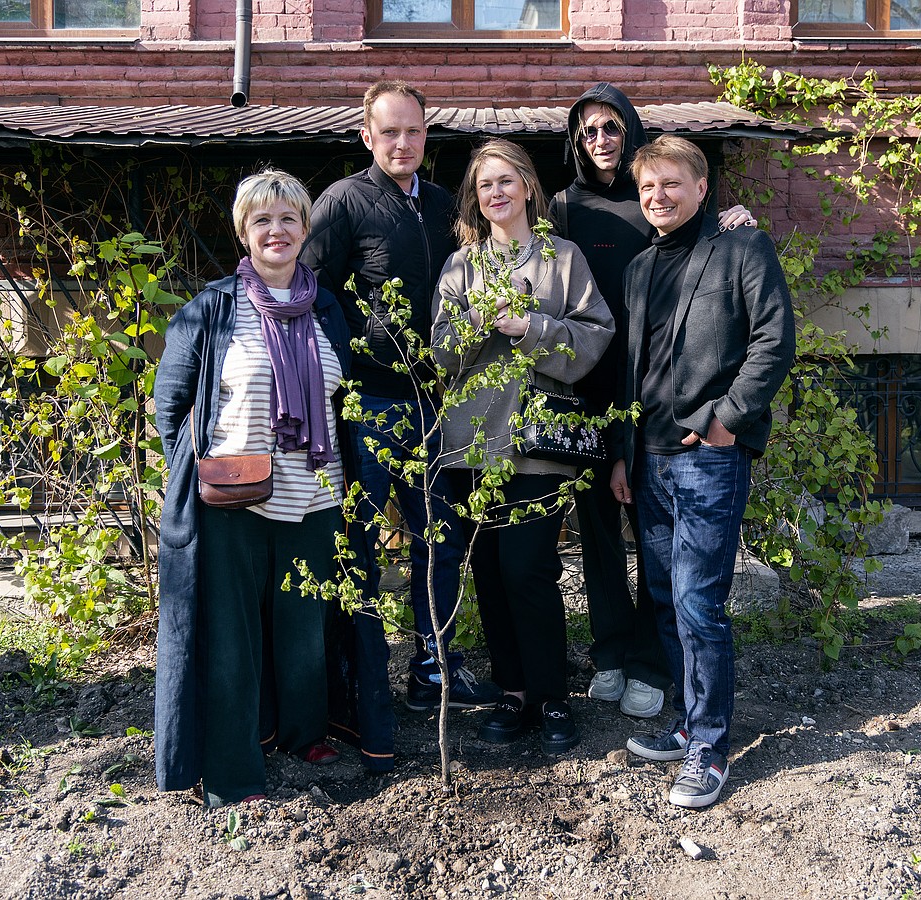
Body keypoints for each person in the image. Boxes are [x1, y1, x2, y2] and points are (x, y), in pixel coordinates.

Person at [153, 168, 364, 806]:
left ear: (305, 229)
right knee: (232, 637)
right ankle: (234, 763)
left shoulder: (327, 306)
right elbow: (170, 408)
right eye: (262, 221)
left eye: (289, 219)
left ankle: (304, 734)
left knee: (304, 624)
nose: (277, 231)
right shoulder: (213, 306)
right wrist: (200, 476)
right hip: (234, 502)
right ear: (245, 231)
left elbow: (344, 399)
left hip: (316, 494)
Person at [549, 83, 755, 720]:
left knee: (654, 539)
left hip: (656, 395)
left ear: (630, 130)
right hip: (584, 389)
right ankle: (610, 652)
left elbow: (705, 242)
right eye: (589, 131)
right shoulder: (561, 207)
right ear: (577, 141)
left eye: (612, 127)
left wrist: (735, 217)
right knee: (597, 536)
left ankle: (649, 661)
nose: (602, 140)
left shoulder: (656, 198)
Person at [300, 80, 500, 715]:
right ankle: (359, 678)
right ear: (368, 137)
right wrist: (333, 386)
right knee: (355, 541)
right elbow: (312, 297)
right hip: (369, 406)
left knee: (439, 538)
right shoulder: (343, 203)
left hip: (438, 402)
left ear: (426, 135)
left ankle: (432, 667)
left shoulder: (445, 205)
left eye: (413, 131)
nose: (403, 143)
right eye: (390, 132)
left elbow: (511, 239)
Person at [611, 136, 795, 808]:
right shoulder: (638, 269)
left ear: (700, 186)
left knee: (698, 603)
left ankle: (711, 748)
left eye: (671, 184)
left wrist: (727, 421)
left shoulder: (741, 247)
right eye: (648, 187)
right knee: (664, 597)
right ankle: (688, 724)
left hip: (707, 458)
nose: (658, 197)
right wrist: (622, 455)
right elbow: (634, 370)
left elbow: (775, 340)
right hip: (649, 459)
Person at [432, 139, 614, 754]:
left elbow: (597, 335)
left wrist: (531, 326)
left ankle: (552, 694)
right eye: (485, 185)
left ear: (530, 187)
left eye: (507, 180)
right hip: (473, 446)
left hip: (541, 445)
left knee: (528, 569)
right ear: (476, 198)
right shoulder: (461, 267)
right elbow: (440, 353)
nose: (497, 192)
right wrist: (481, 321)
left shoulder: (564, 260)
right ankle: (511, 693)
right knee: (488, 571)